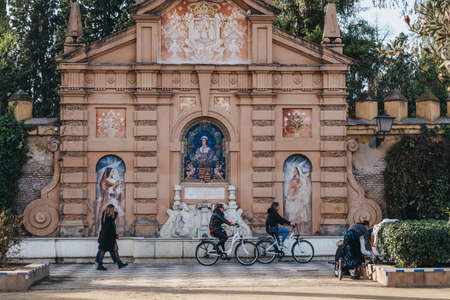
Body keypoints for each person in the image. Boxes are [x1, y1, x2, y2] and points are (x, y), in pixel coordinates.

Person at [96, 204, 128, 271]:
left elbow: (115, 215)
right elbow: (109, 229)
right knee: (103, 251)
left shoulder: (106, 216)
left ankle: (119, 263)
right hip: (107, 237)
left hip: (108, 237)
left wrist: (114, 235)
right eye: (113, 209)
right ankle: (99, 265)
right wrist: (114, 235)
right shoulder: (108, 217)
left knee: (115, 249)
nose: (114, 210)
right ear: (111, 210)